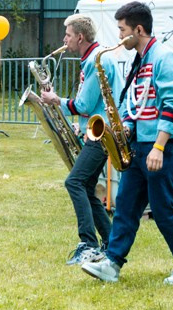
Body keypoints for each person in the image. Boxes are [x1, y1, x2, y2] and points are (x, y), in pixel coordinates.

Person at [82, 1, 173, 285]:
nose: (119, 36)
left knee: (163, 207)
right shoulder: (139, 60)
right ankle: (112, 263)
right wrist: (126, 125)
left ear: (138, 29)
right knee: (126, 205)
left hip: (164, 146)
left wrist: (159, 146)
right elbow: (133, 102)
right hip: (139, 145)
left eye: (122, 30)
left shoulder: (164, 58)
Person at [39, 13, 121, 265]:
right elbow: (92, 104)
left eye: (68, 35)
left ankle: (88, 244)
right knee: (85, 186)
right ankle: (110, 243)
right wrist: (81, 124)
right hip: (97, 130)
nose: (64, 39)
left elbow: (83, 104)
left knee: (74, 182)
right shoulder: (92, 59)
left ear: (80, 37)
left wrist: (56, 100)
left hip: (101, 133)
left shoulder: (96, 61)